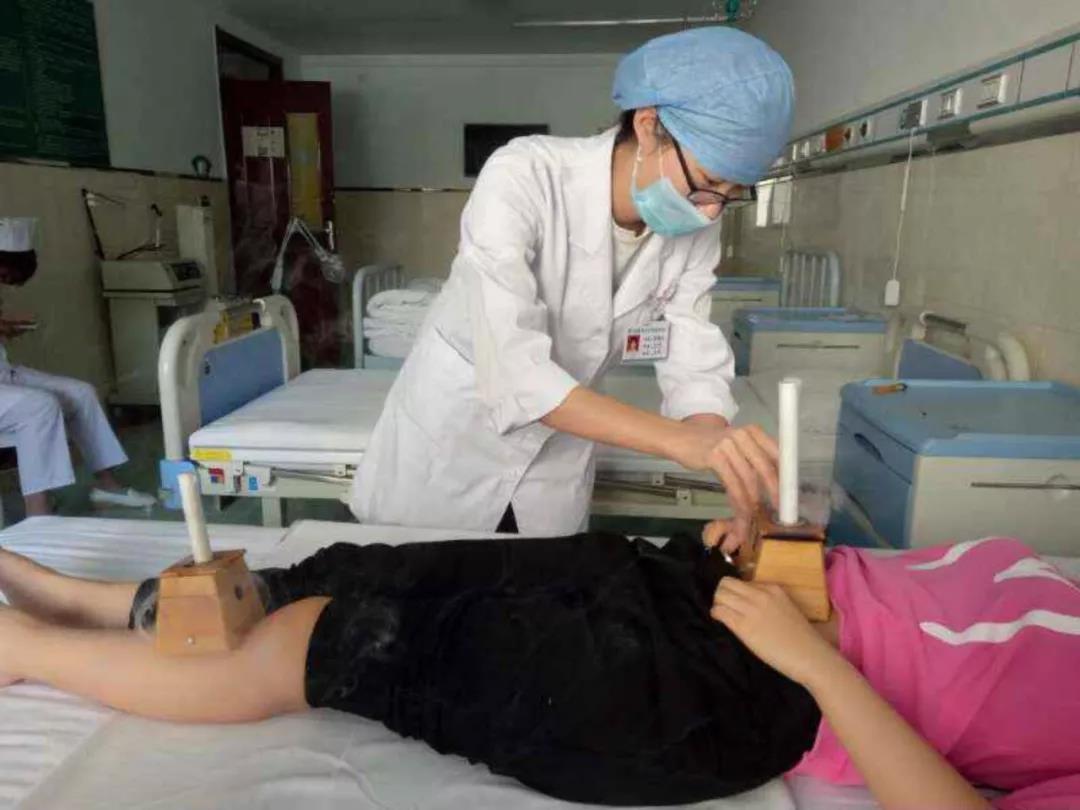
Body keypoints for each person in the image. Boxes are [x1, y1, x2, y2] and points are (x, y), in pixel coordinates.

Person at [0, 523, 1075, 808]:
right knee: (360, 570)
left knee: (334, 640)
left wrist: (815, 664)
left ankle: (24, 650)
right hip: (727, 590)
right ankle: (95, 604)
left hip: (747, 691)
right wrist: (785, 546)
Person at [351, 27, 795, 548]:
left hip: (554, 467)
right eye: (709, 181)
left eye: (733, 192)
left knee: (543, 592)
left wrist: (721, 452)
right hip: (449, 454)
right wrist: (679, 441)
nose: (714, 209)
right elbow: (516, 371)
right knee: (419, 591)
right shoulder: (525, 175)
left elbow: (691, 351)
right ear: (649, 126)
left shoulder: (695, 222)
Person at [0, 217, 156, 516]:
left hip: (5, 375)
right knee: (40, 406)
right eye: (5, 273)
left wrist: (6, 326)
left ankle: (107, 487)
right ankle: (38, 513)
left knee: (81, 393)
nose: (6, 281)